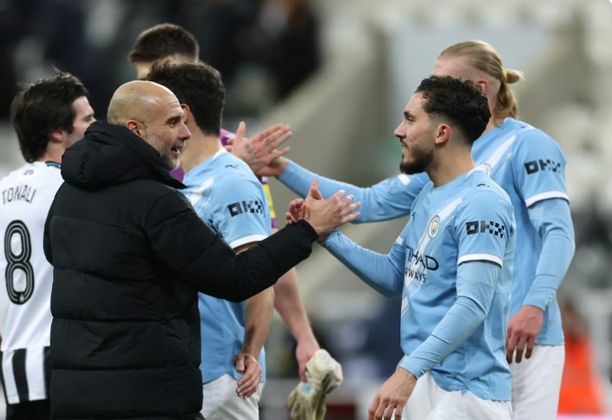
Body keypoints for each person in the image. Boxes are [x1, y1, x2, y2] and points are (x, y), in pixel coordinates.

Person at [242, 40, 576, 420]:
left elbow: (557, 234)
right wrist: (291, 181)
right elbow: (370, 212)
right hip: (438, 363)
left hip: (511, 342)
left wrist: (534, 304)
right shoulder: (432, 184)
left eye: (441, 81)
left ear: (475, 91)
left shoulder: (521, 152)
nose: (400, 130)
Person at [43, 79, 359, 419]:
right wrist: (307, 230)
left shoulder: (68, 193)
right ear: (135, 129)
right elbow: (236, 278)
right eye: (172, 123)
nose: (185, 133)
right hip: (146, 398)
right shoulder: (156, 202)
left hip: (74, 397)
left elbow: (53, 252)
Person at [288, 75, 514, 419]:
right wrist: (327, 235)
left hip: (467, 391)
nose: (398, 131)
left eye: (410, 119)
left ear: (441, 133)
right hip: (425, 380)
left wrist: (407, 372)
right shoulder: (429, 195)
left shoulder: (482, 202)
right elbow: (395, 276)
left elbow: (472, 305)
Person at [130, 22, 325, 381]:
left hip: (220, 363)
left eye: (154, 85)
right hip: (160, 362)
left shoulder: (233, 166)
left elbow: (264, 258)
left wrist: (303, 336)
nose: (143, 99)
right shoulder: (137, 159)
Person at [147, 61, 274, 419]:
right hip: (184, 371)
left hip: (222, 376)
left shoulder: (231, 181)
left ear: (182, 115)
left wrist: (251, 352)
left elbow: (261, 278)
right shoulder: (176, 180)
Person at [0, 72, 95, 419]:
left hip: (18, 371)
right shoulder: (73, 188)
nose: (96, 128)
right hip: (72, 366)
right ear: (58, 132)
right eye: (87, 119)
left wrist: (11, 341)